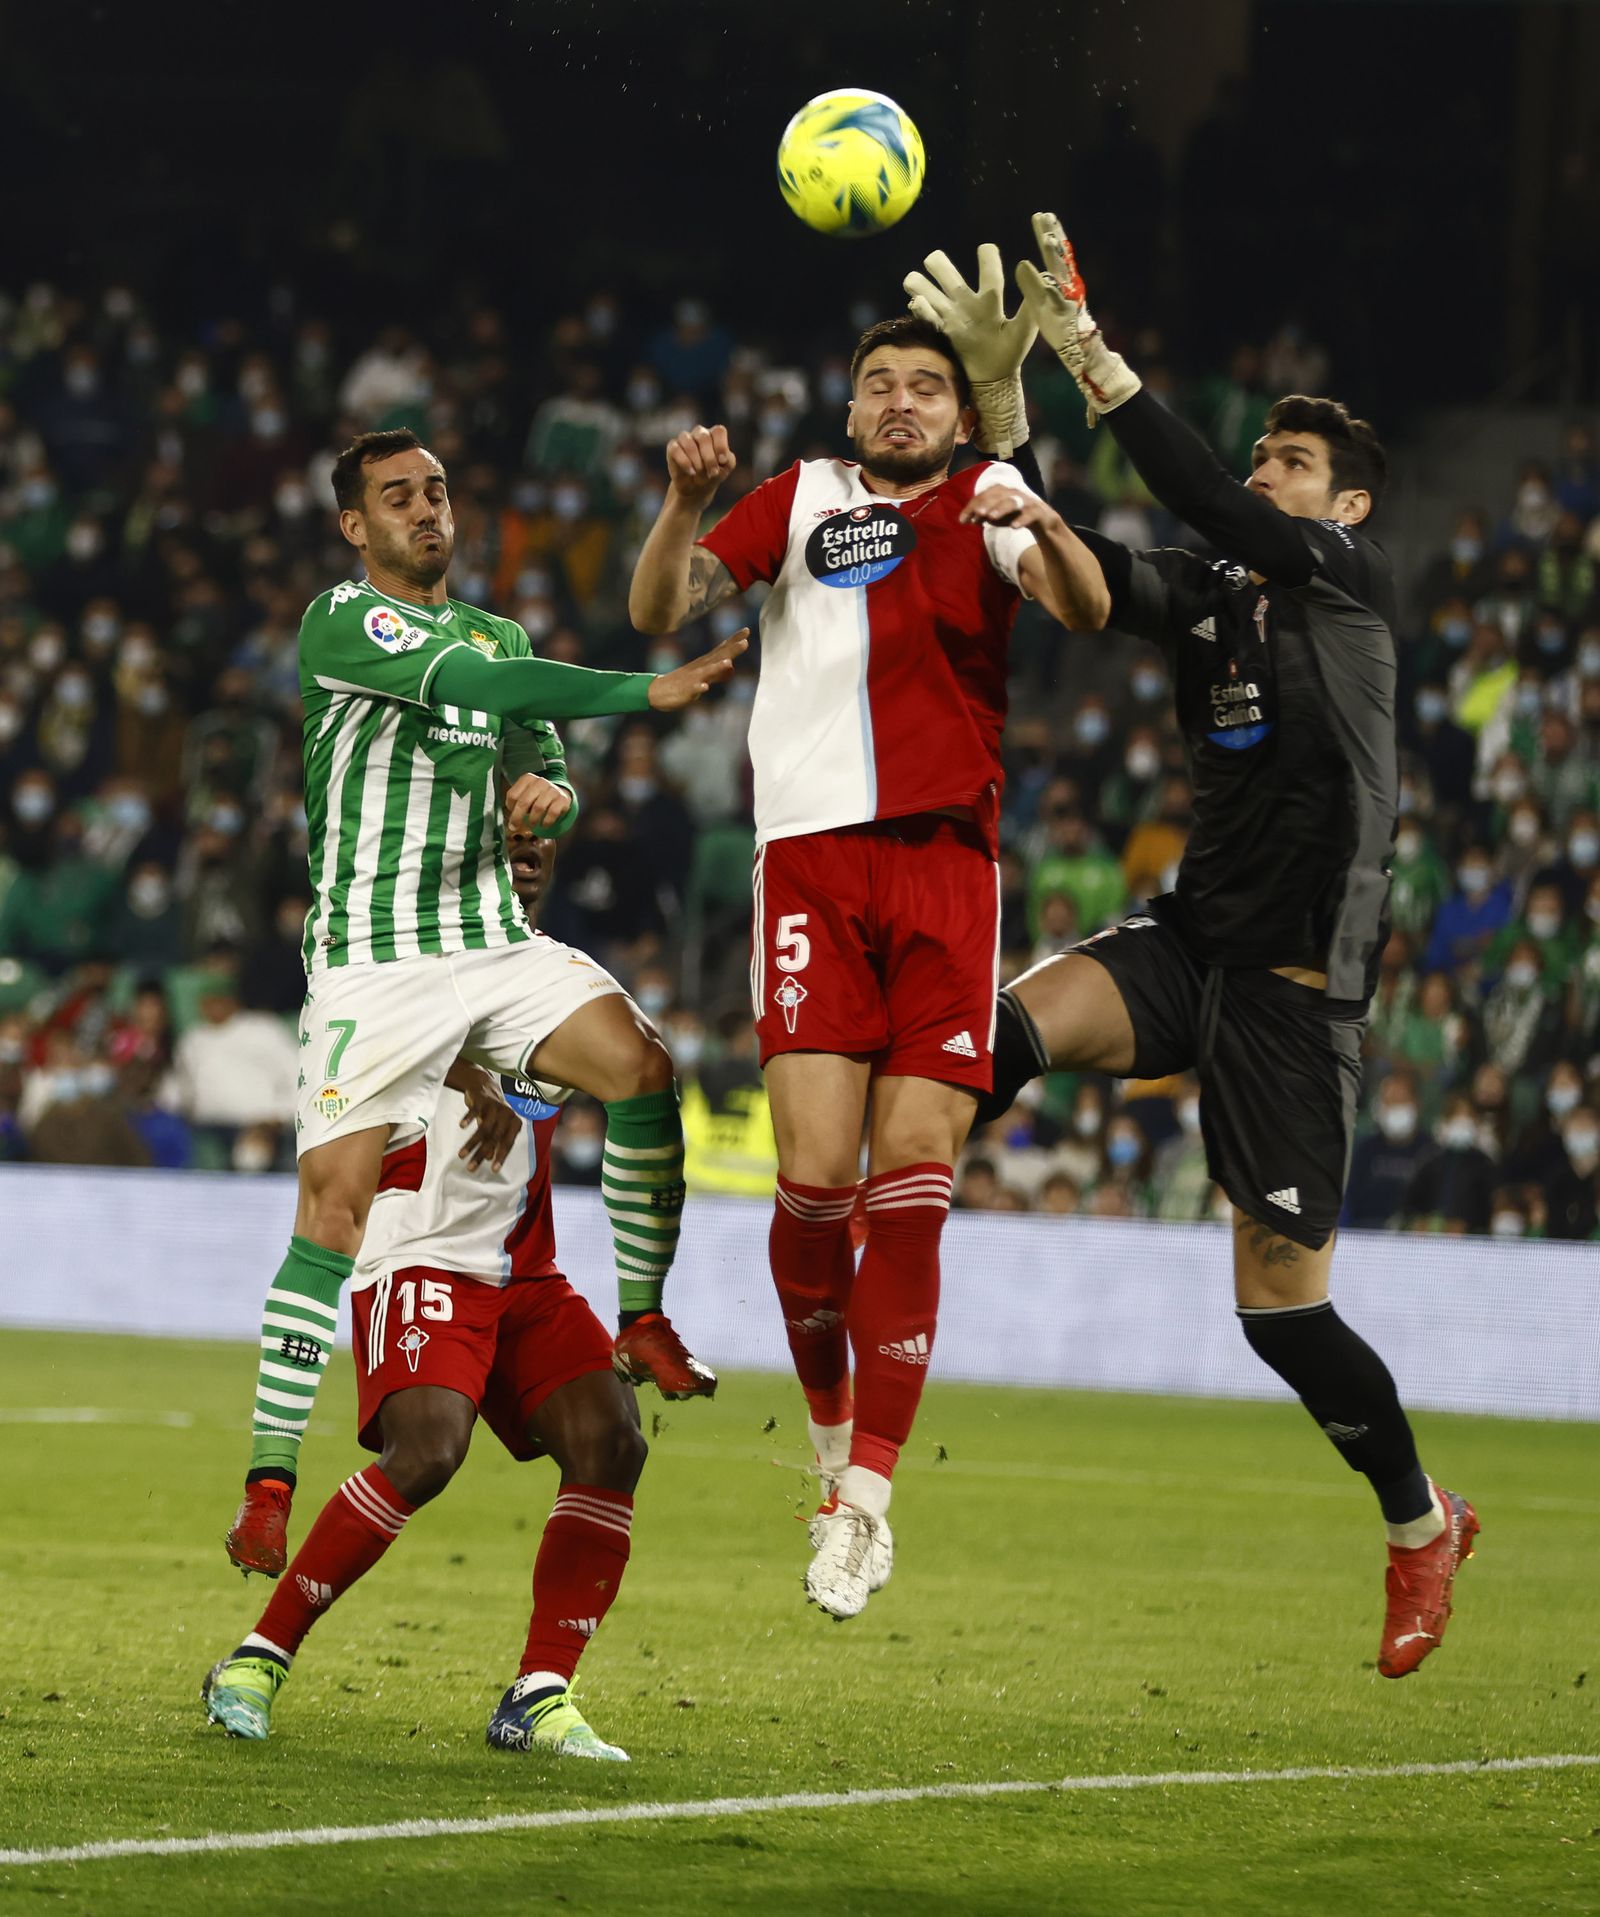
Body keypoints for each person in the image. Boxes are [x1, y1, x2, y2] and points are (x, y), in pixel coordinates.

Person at [970, 214, 1477, 1678]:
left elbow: (1192, 488)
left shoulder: (1343, 589)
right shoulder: (1214, 600)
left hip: (1296, 994)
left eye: (1291, 464)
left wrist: (1093, 359)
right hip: (1196, 941)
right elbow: (1062, 579)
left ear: (1350, 508)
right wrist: (1012, 434)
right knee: (995, 1032)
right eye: (1260, 456)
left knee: (1278, 1315)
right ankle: (877, 1272)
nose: (1262, 475)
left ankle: (1417, 1522)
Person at [627, 302, 1083, 1619]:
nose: (900, 402)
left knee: (912, 1189)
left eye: (925, 386)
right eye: (878, 383)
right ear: (847, 409)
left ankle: (868, 1500)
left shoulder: (993, 495)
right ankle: (830, 1455)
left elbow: (1070, 594)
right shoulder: (800, 497)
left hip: (946, 868)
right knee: (816, 1184)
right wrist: (678, 504)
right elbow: (662, 606)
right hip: (813, 865)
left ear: (960, 410)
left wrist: (1020, 468)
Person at [225, 428, 743, 1579]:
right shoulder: (342, 622)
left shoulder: (498, 628)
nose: (425, 509)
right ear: (355, 527)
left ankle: (644, 1316)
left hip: (489, 940)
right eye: (396, 497)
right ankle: (269, 1485)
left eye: (438, 491)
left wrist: (542, 799)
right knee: (335, 1211)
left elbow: (545, 762)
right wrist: (645, 688)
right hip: (375, 960)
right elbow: (484, 687)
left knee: (642, 1066)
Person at [204, 829, 643, 1759]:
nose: (527, 857)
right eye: (508, 842)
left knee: (612, 1439)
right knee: (428, 1449)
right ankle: (257, 1655)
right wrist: (468, 1068)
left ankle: (540, 1690)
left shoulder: (558, 978)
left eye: (542, 849)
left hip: (522, 1262)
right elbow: (350, 1020)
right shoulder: (400, 946)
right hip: (417, 1252)